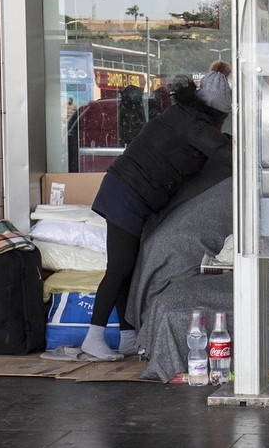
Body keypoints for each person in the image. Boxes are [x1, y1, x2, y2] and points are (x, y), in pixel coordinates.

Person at [82, 61, 234, 361]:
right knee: (119, 268)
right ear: (216, 112)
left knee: (128, 266)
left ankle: (127, 336)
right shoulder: (194, 124)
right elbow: (223, 153)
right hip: (126, 193)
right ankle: (93, 336)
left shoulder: (183, 114)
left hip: (128, 190)